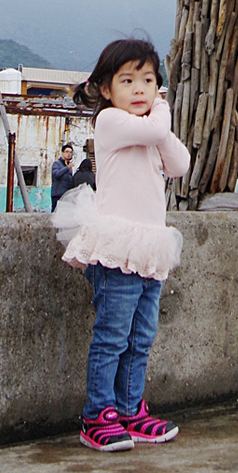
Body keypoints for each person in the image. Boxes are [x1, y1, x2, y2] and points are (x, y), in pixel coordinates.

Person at [55, 37, 190, 452]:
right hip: (117, 247)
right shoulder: (112, 122)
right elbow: (156, 128)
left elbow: (180, 164)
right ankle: (98, 414)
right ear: (106, 89)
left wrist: (159, 119)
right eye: (128, 80)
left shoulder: (150, 129)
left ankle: (131, 410)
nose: (139, 90)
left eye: (148, 81)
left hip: (149, 247)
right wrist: (162, 105)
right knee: (112, 335)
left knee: (141, 336)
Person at [51, 144, 75, 211]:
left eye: (70, 152)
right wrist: (67, 168)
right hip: (57, 194)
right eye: (67, 152)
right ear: (62, 153)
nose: (69, 154)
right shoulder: (56, 164)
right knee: (55, 213)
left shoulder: (69, 166)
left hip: (66, 195)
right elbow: (56, 175)